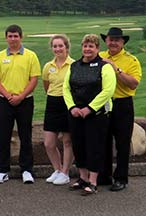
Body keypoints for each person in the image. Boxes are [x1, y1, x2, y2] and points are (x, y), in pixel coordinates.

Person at [63, 34, 116, 196]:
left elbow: (108, 90)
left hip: (97, 114)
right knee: (79, 146)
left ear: (98, 48)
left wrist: (90, 108)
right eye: (85, 46)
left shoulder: (104, 66)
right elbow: (66, 88)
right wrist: (72, 107)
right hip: (76, 113)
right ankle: (83, 178)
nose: (87, 49)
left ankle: (93, 181)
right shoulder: (74, 66)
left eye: (91, 46)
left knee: (94, 146)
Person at [0, 24, 40, 184]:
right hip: (5, 101)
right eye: (10, 36)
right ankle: (2, 170)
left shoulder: (30, 56)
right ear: (6, 38)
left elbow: (34, 79)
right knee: (4, 136)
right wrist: (8, 95)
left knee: (25, 136)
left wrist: (21, 96)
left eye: (15, 36)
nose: (12, 39)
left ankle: (26, 170)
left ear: (21, 37)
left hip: (25, 101)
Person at [98, 27, 142, 191]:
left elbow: (133, 83)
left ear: (123, 42)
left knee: (123, 142)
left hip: (122, 103)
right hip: (104, 103)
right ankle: (104, 175)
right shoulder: (100, 56)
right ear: (106, 41)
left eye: (117, 40)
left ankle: (121, 178)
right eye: (110, 39)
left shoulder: (131, 60)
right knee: (104, 140)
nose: (113, 42)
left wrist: (115, 68)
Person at [42, 35, 75, 185]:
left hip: (67, 103)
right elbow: (46, 86)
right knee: (49, 142)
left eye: (60, 46)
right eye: (55, 46)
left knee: (68, 141)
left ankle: (65, 172)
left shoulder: (74, 65)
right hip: (52, 103)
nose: (57, 49)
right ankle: (57, 169)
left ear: (66, 47)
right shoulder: (48, 66)